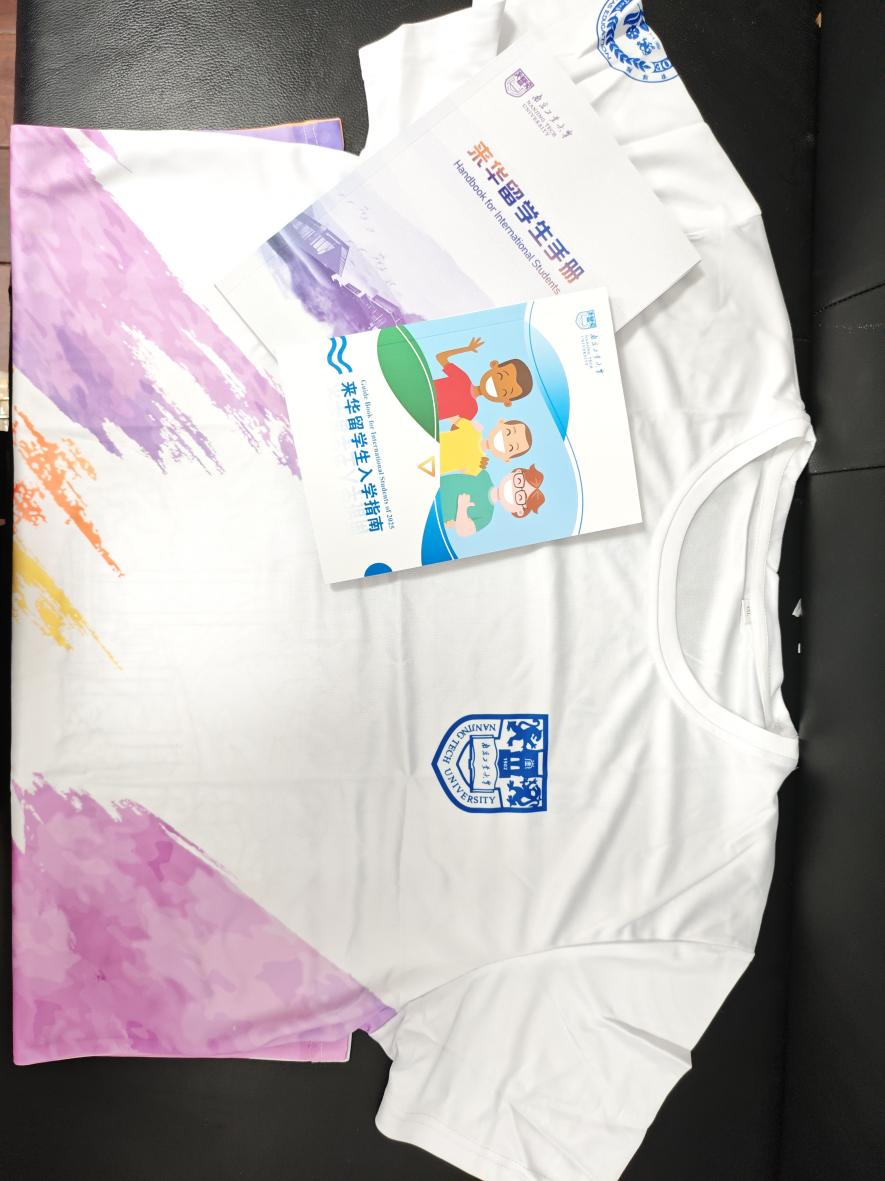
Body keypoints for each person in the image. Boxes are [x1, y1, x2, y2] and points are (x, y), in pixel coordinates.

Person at [433, 336, 534, 421]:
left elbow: (455, 431)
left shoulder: (472, 409)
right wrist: (467, 348)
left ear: (506, 401)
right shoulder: (462, 378)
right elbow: (440, 357)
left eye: (505, 392)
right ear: (494, 365)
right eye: (500, 376)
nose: (497, 386)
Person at [440, 464, 545, 537]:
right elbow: (460, 464)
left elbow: (463, 531)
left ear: (519, 511)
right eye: (518, 481)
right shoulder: (483, 475)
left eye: (520, 497)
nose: (514, 490)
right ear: (515, 472)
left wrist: (462, 509)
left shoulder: (486, 516)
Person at [440, 417, 533, 476]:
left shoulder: (479, 463)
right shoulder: (473, 430)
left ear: (506, 458)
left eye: (511, 447)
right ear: (501, 423)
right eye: (508, 432)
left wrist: (475, 466)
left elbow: (462, 474)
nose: (505, 441)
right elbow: (451, 417)